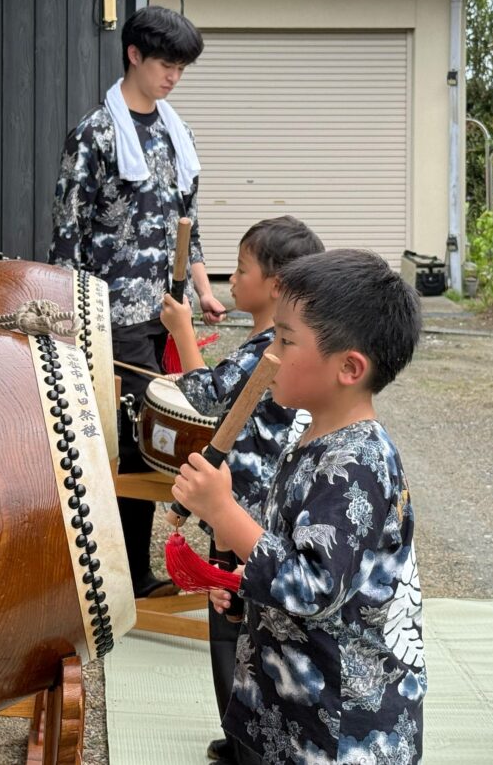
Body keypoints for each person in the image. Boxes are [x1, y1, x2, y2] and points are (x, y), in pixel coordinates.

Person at [173, 249, 427, 765]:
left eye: (285, 341)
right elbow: (288, 548)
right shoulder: (310, 435)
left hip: (340, 727)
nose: (269, 354)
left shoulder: (357, 461)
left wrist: (223, 512)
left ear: (349, 368)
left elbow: (314, 585)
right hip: (291, 706)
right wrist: (247, 587)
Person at [50, 5, 226, 599]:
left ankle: (129, 572)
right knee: (128, 442)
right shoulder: (96, 133)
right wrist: (69, 319)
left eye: (182, 68)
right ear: (134, 55)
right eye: (166, 65)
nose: (173, 77)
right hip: (107, 316)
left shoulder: (178, 134)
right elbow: (66, 234)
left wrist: (204, 289)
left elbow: (187, 224)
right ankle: (120, 577)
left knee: (161, 439)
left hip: (166, 311)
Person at [159, 216, 324, 764]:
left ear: (276, 285)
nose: (233, 275)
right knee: (241, 621)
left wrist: (182, 330)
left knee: (236, 625)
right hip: (253, 506)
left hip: (244, 509)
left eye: (244, 266)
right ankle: (242, 734)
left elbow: (206, 397)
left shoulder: (264, 350)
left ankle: (246, 738)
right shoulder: (270, 344)